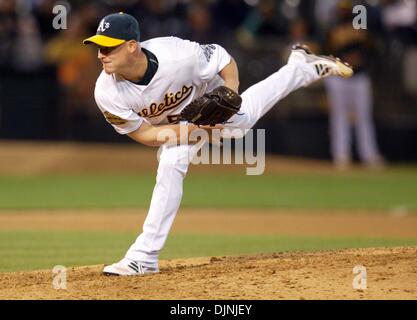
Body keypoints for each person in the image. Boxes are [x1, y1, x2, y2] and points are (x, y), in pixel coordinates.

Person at [83, 12, 353, 276]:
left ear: (132, 47)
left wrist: (229, 94)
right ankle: (143, 258)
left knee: (241, 122)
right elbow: (145, 135)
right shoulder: (106, 92)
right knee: (171, 162)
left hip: (207, 94)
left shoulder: (177, 55)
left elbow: (224, 60)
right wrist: (194, 129)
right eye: (98, 46)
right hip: (178, 124)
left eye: (108, 47)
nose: (100, 54)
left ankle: (300, 68)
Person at [324, 0, 384, 170]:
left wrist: (359, 57)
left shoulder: (361, 20)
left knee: (364, 117)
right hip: (337, 76)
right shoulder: (332, 24)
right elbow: (327, 47)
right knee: (339, 117)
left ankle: (369, 155)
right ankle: (341, 155)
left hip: (359, 75)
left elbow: (370, 46)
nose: (344, 11)